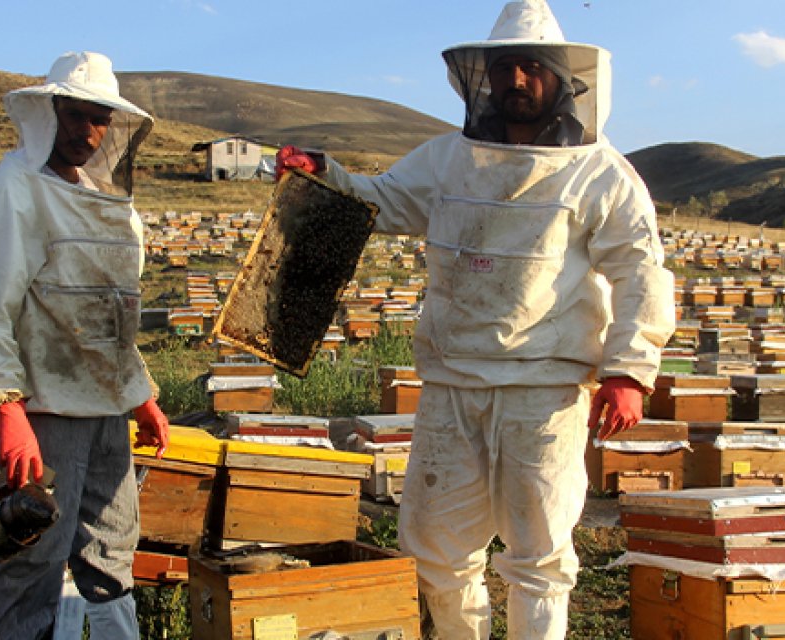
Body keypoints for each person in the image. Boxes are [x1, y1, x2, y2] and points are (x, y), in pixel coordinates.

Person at [276, 1, 675, 637]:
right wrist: (327, 174)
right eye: (505, 68)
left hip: (542, 391)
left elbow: (641, 272)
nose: (516, 81)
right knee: (435, 548)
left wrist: (630, 370)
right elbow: (383, 198)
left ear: (562, 80)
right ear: (483, 77)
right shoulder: (447, 160)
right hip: (453, 382)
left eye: (531, 68)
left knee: (538, 556)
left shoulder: (602, 174)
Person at [0, 51, 169, 640]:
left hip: (106, 414)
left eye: (99, 120)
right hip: (48, 413)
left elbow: (112, 315)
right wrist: (7, 410)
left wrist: (140, 395)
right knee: (35, 561)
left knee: (113, 551)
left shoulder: (111, 204)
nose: (88, 132)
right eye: (75, 116)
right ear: (50, 114)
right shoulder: (16, 188)